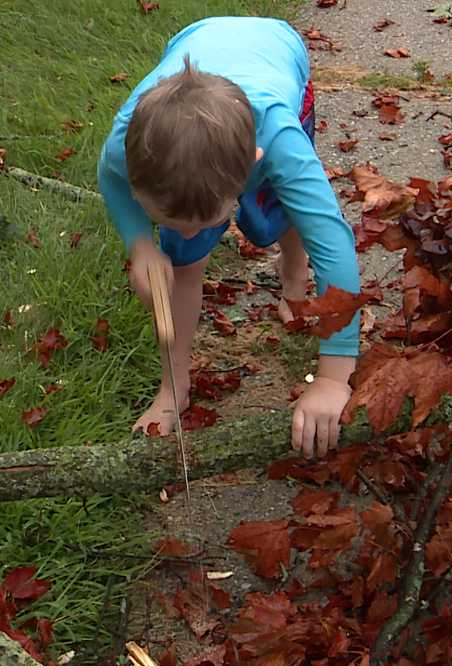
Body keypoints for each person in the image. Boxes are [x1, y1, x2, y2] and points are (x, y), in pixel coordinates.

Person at [96, 16, 361, 458]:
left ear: (253, 163)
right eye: (169, 218)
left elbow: (333, 245)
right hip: (197, 39)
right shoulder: (126, 140)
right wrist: (141, 242)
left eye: (205, 220)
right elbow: (110, 178)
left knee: (287, 210)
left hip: (279, 50)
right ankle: (173, 384)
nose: (185, 231)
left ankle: (291, 274)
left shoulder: (280, 138)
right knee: (182, 260)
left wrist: (334, 379)